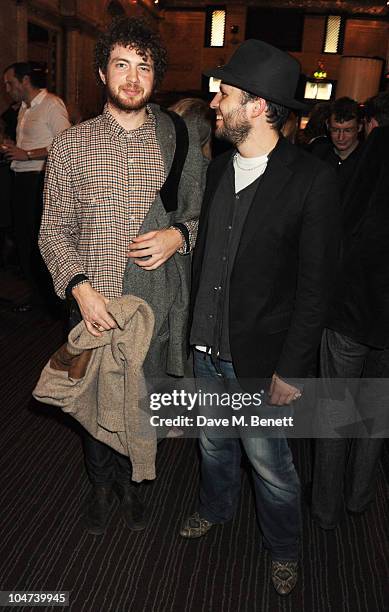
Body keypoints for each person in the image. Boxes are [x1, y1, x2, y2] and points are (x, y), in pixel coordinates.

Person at [179, 39, 339, 596]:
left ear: (260, 106)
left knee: (271, 468)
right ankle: (216, 509)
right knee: (213, 444)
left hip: (260, 361)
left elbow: (316, 290)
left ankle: (284, 548)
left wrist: (292, 369)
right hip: (205, 349)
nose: (215, 103)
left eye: (226, 94)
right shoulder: (219, 170)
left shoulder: (312, 181)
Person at [39, 17, 205, 536]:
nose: (133, 78)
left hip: (155, 304)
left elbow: (203, 215)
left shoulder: (178, 136)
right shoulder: (71, 145)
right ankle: (102, 487)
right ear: (102, 74)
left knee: (144, 402)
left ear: (155, 76)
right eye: (122, 66)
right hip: (94, 299)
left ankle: (137, 485)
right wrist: (79, 287)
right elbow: (51, 232)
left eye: (144, 67)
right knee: (93, 402)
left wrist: (180, 236)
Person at [311, 92, 389, 530]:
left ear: (370, 125)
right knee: (376, 413)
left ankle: (325, 508)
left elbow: (338, 232)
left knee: (336, 412)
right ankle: (359, 498)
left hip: (352, 311)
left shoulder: (371, 161)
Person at [2, 62, 70, 312]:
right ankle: (38, 296)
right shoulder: (24, 108)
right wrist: (14, 147)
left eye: (11, 83)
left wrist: (27, 153)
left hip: (38, 179)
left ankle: (52, 300)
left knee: (37, 241)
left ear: (25, 81)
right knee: (23, 240)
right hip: (20, 178)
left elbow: (66, 142)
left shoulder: (51, 104)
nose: (8, 89)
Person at [310, 97, 363, 199]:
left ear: (359, 127)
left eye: (348, 130)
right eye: (335, 130)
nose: (340, 137)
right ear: (327, 125)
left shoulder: (368, 159)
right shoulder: (318, 154)